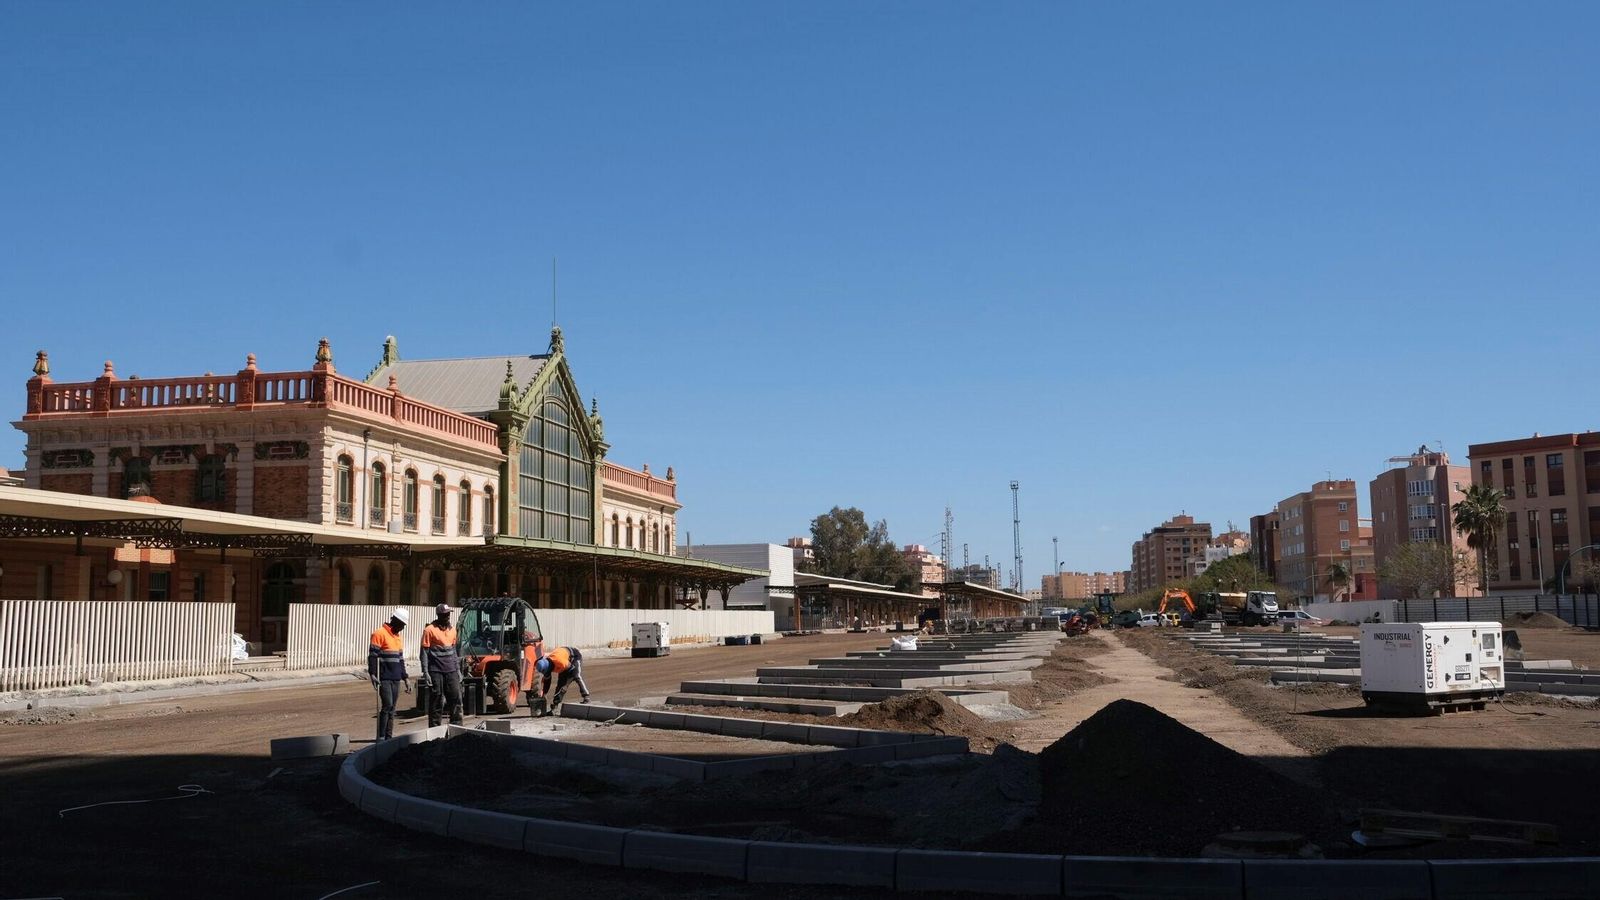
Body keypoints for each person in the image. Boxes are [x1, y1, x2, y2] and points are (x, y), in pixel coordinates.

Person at [367, 608, 410, 740]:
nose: (402, 628)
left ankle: (388, 737)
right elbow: (373, 656)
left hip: (396, 678)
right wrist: (373, 674)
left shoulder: (398, 637)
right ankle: (380, 736)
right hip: (384, 677)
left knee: (393, 709)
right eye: (402, 624)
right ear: (395, 620)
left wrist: (405, 678)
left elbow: (400, 659)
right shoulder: (379, 633)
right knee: (387, 706)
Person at [420, 603, 463, 727]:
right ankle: (435, 730)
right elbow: (424, 652)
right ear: (439, 615)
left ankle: (457, 727)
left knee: (456, 698)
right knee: (437, 701)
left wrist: (458, 669)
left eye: (448, 614)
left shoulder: (453, 630)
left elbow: (454, 651)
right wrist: (426, 672)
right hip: (436, 671)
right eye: (445, 615)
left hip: (451, 671)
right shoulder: (429, 630)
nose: (447, 617)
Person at [534, 645, 591, 712]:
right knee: (560, 685)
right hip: (564, 660)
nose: (547, 673)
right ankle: (555, 706)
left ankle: (586, 696)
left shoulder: (560, 662)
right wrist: (544, 694)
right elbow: (547, 681)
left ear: (549, 667)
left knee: (576, 676)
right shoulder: (546, 667)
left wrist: (565, 685)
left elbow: (571, 669)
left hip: (574, 657)